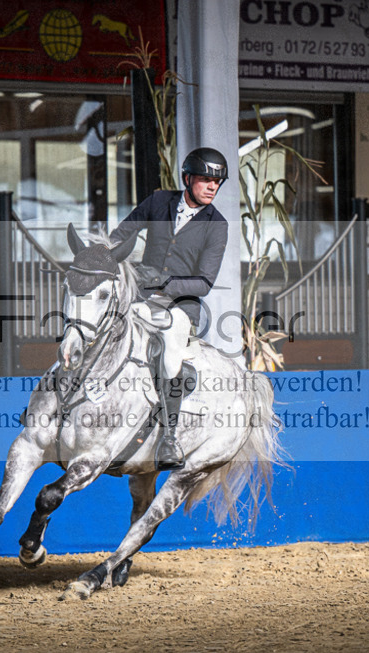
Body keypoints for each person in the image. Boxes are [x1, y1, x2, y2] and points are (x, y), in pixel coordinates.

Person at [109, 147, 229, 470]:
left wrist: (162, 281)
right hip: (140, 296)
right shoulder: (159, 201)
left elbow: (203, 282)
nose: (212, 187)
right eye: (206, 179)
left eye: (217, 182)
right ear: (187, 179)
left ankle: (169, 437)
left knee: (172, 348)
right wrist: (111, 259)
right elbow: (123, 232)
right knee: (97, 325)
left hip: (180, 306)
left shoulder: (217, 224)